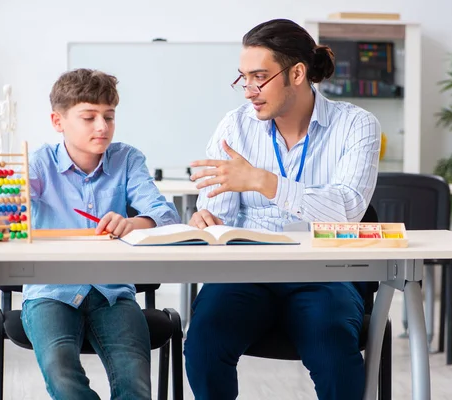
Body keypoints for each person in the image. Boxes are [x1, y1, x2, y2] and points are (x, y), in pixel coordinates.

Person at [183, 19, 381, 400]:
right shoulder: (234, 126)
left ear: (297, 73)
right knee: (203, 345)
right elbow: (218, 213)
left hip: (325, 273)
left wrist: (263, 181)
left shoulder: (357, 125)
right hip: (245, 271)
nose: (249, 91)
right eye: (243, 78)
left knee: (334, 353)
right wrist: (206, 219)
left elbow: (348, 209)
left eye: (259, 77)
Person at [20, 68, 180, 399]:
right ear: (58, 121)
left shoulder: (127, 159)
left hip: (112, 293)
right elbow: (7, 201)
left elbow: (167, 216)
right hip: (51, 291)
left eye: (109, 116)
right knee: (61, 370)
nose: (102, 127)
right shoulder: (38, 164)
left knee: (134, 381)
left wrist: (133, 223)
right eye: (89, 117)